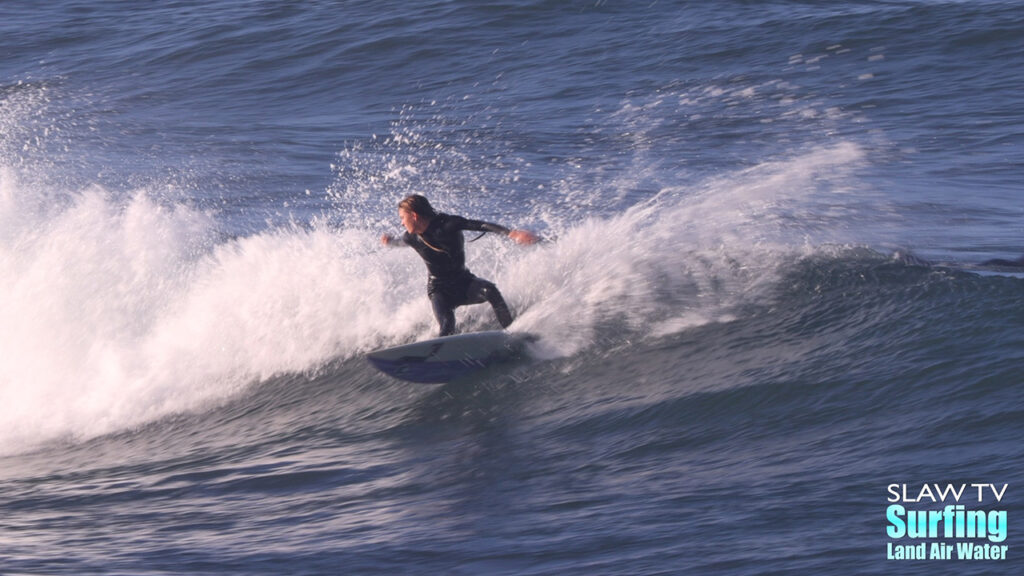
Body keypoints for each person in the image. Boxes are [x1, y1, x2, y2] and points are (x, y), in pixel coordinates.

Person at [382, 194, 539, 336]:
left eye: (402, 217)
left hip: (464, 283)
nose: (402, 223)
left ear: (414, 215)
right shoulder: (411, 237)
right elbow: (401, 242)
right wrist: (390, 242)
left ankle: (513, 334)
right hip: (439, 290)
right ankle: (439, 357)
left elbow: (480, 225)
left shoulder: (448, 224)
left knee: (490, 290)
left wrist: (511, 233)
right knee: (446, 325)